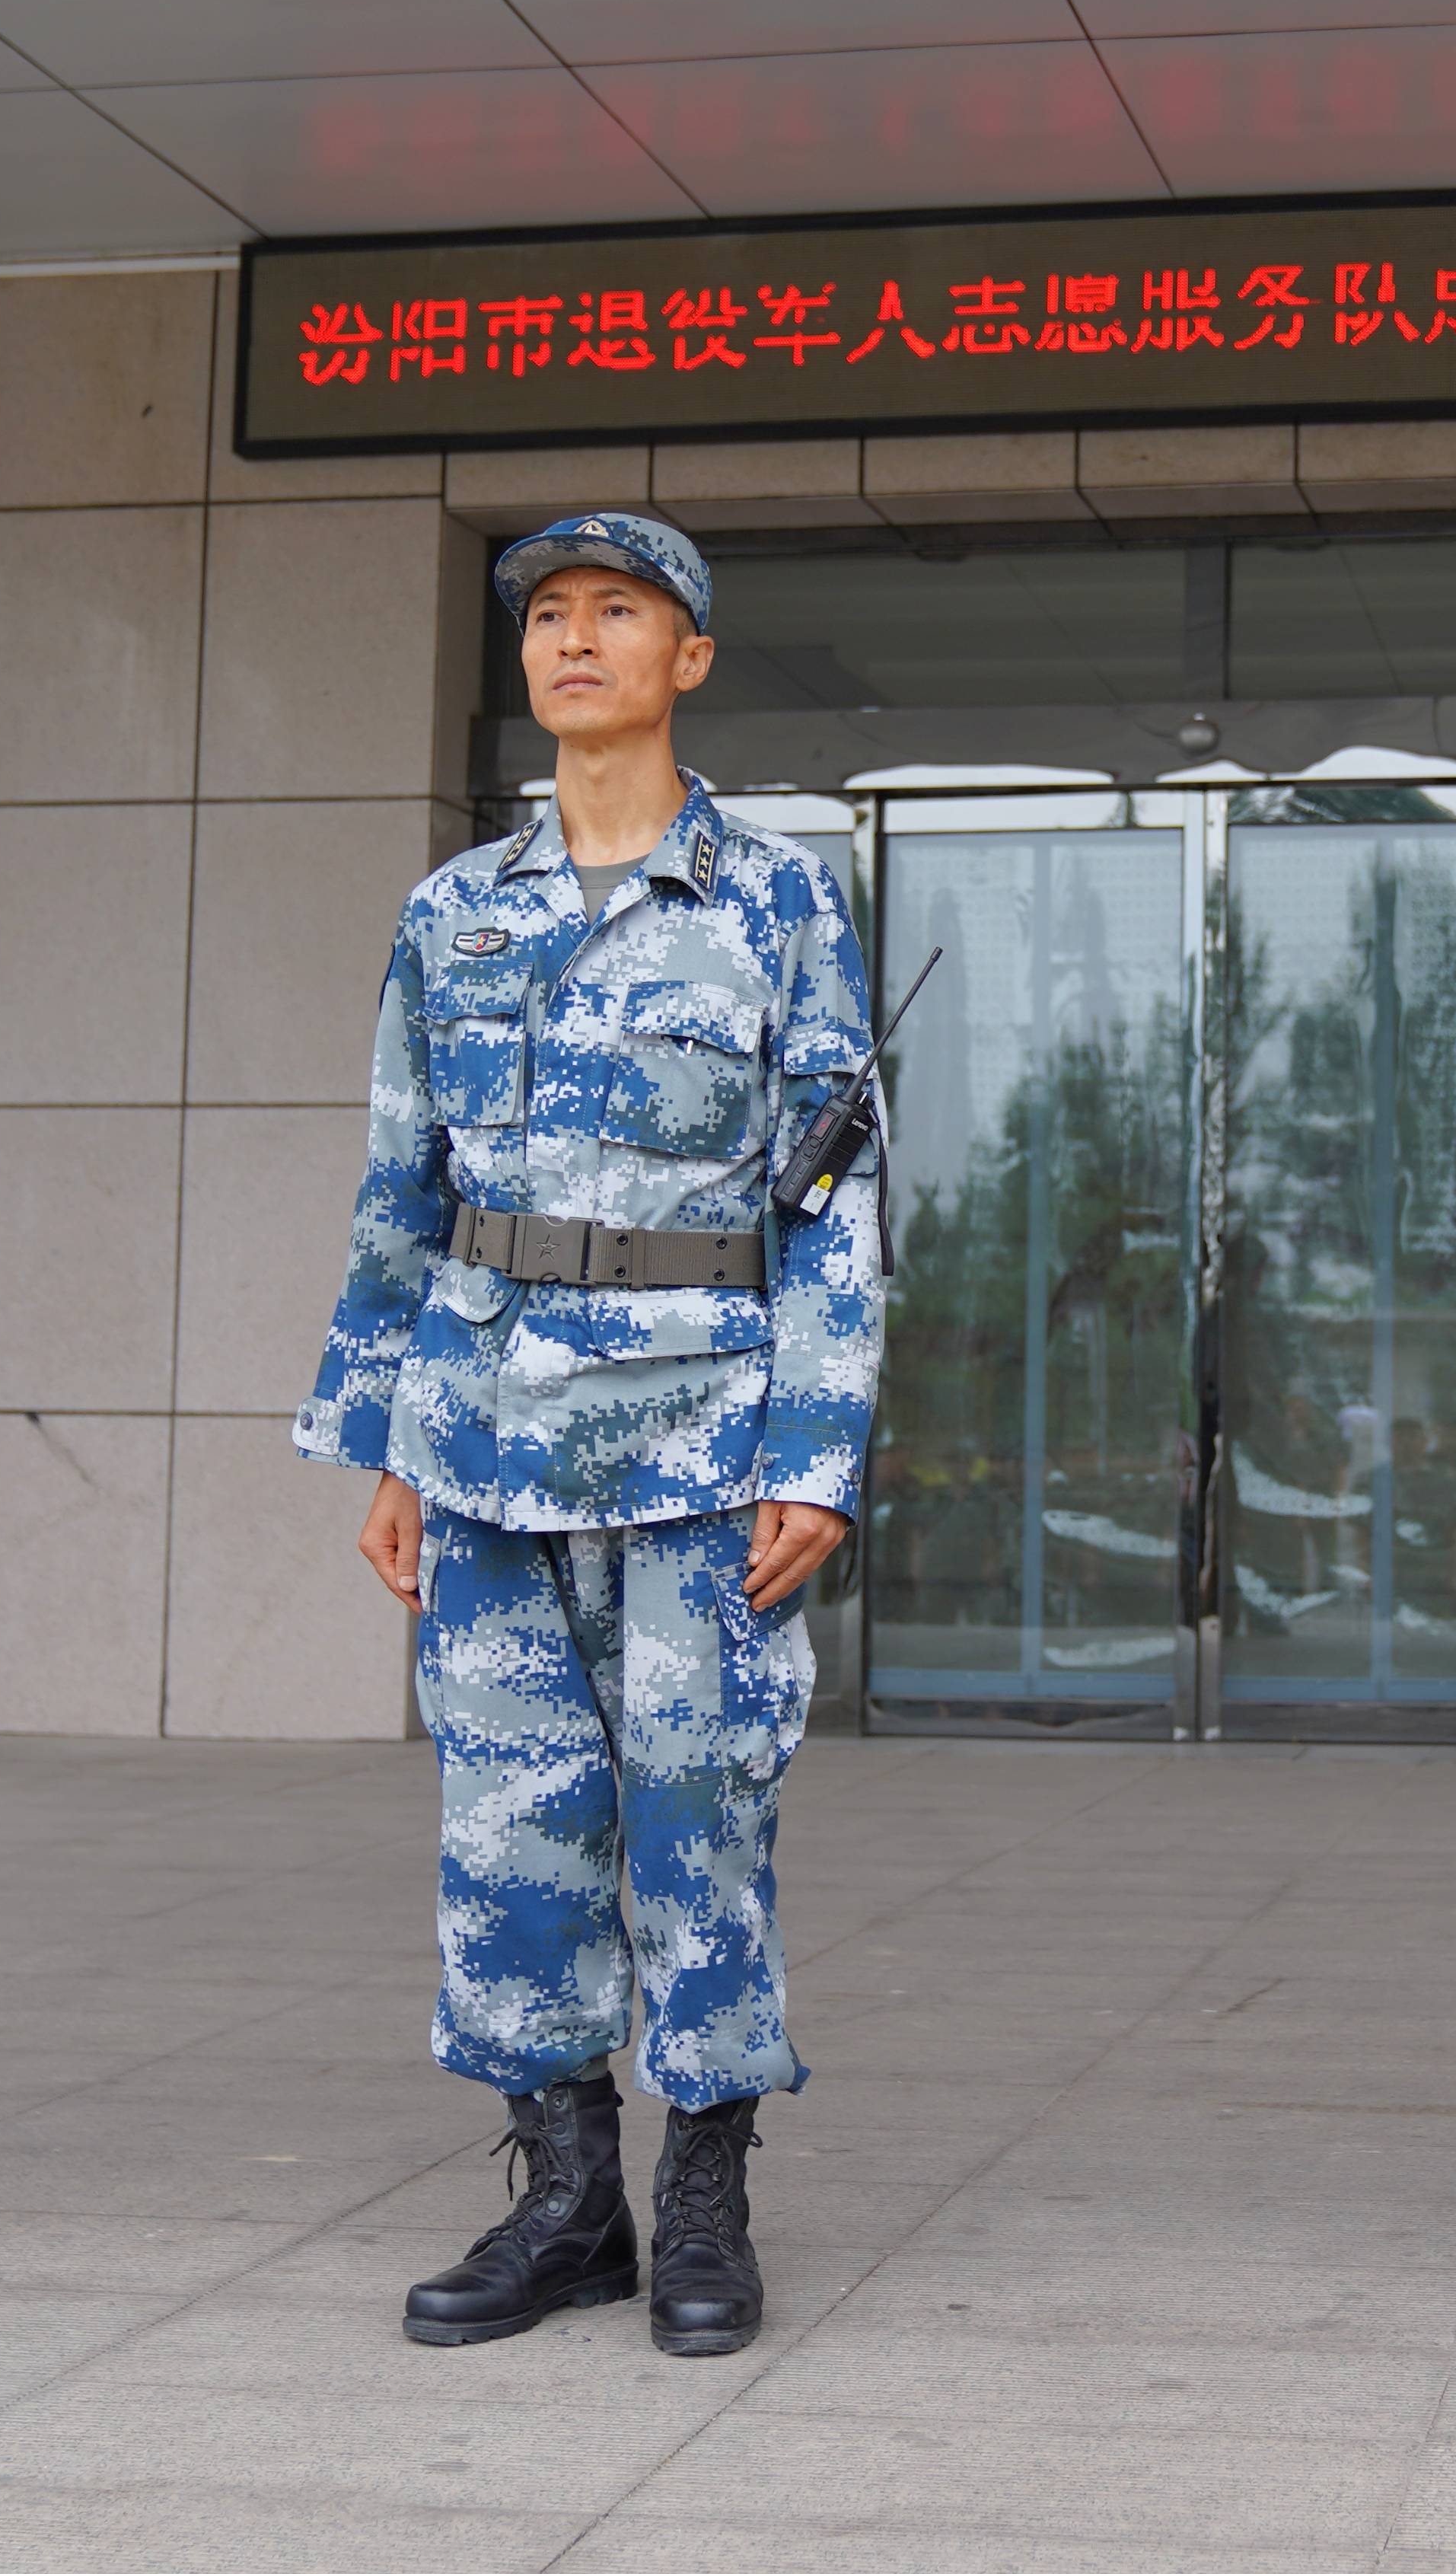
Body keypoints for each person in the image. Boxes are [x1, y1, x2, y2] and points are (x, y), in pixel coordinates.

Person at [297, 510, 881, 2359]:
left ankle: (706, 2191)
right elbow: (401, 1177)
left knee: (698, 1812)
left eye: (615, 611)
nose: (573, 638)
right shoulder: (455, 906)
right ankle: (565, 2197)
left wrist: (819, 1447)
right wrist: (383, 1429)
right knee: (510, 1821)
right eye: (547, 612)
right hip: (479, 1428)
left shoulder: (781, 898)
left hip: (707, 1430)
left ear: (687, 655)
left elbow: (842, 1200)